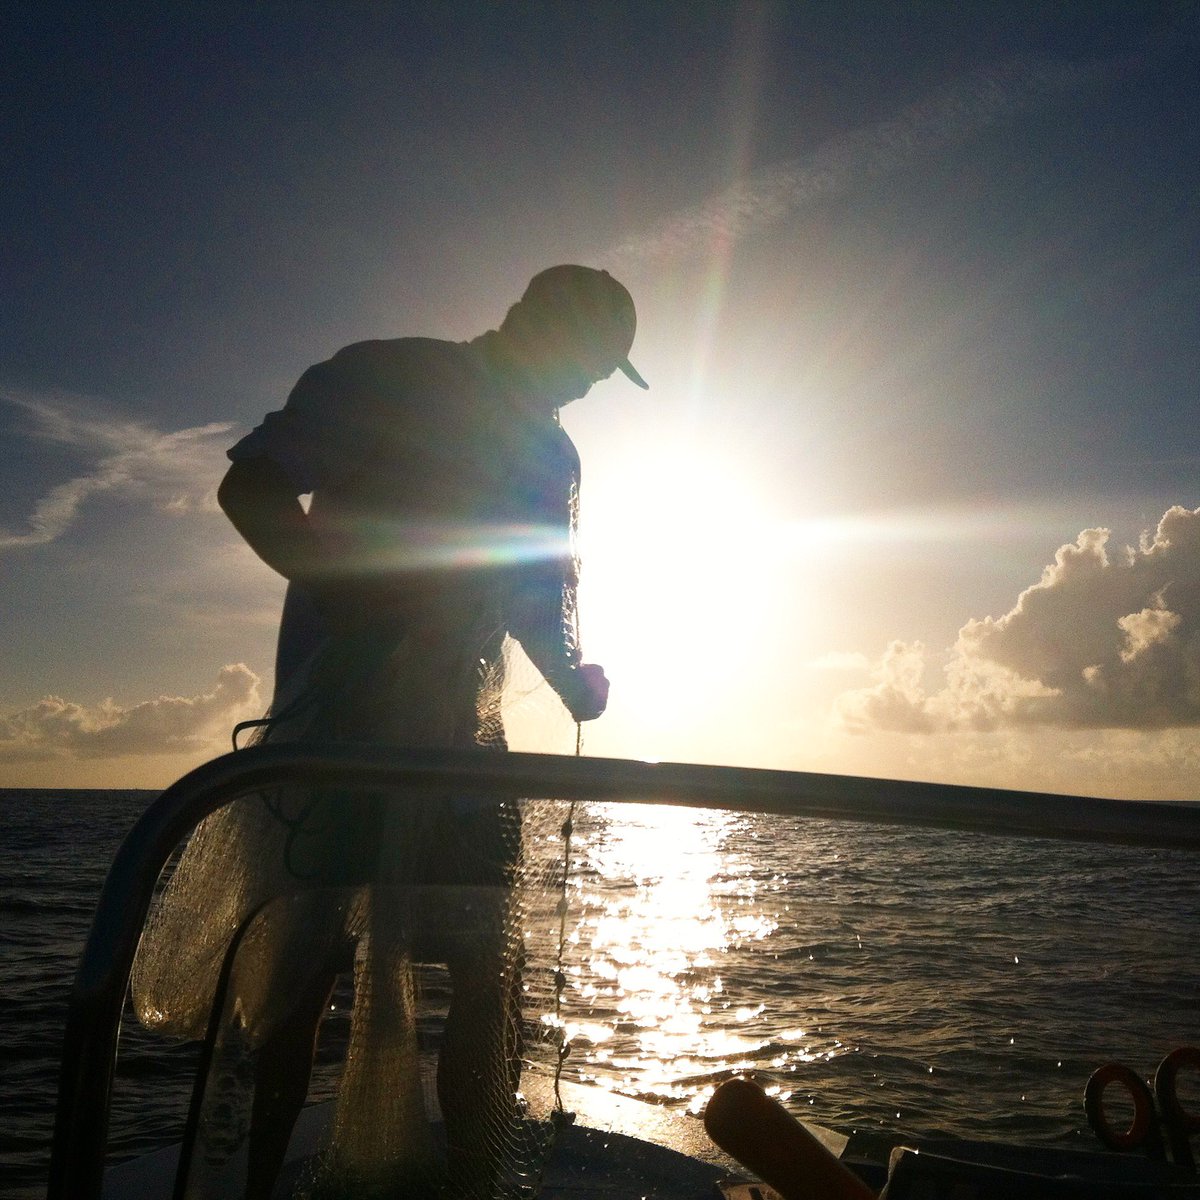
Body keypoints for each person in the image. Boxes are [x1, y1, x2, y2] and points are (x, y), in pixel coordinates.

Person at [134, 265, 647, 1198]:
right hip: (334, 736)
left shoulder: (553, 457)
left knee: (492, 982)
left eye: (606, 373)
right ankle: (252, 1190)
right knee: (301, 985)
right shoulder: (388, 377)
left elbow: (536, 590)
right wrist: (348, 594)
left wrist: (574, 680)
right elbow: (250, 486)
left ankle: (473, 1187)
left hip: (464, 741)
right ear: (536, 324)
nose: (587, 386)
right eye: (592, 362)